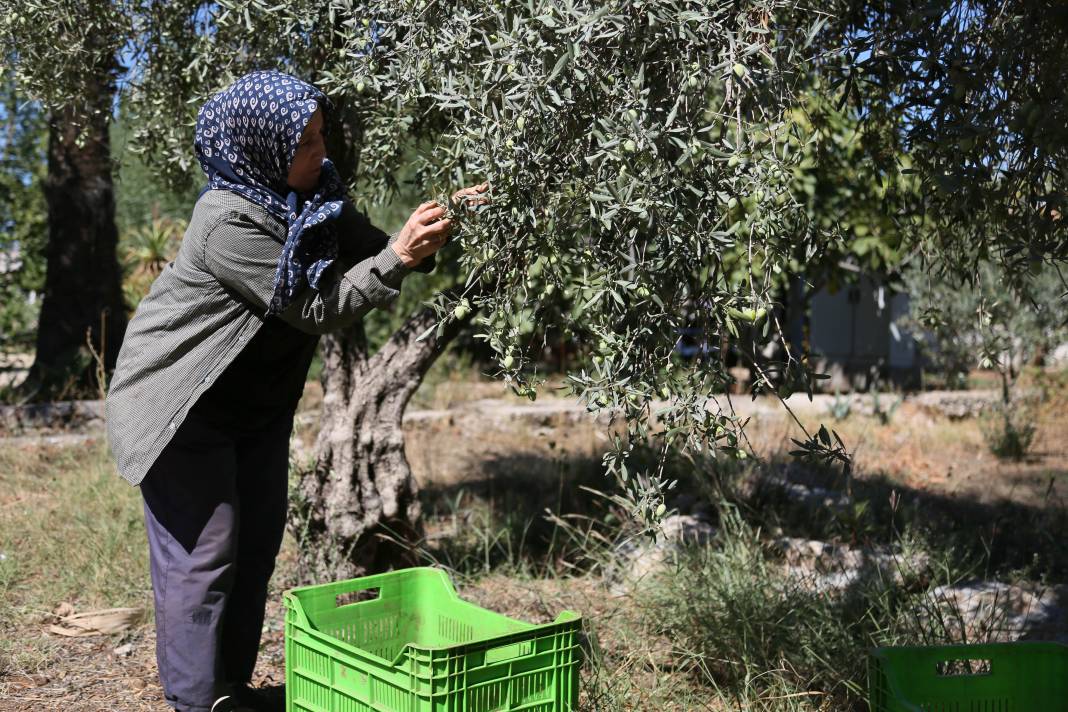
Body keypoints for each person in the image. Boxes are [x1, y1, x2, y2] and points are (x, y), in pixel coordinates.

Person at [103, 69, 490, 712]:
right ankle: (196, 703)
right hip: (178, 408)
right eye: (305, 142)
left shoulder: (315, 199)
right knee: (204, 555)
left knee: (255, 546)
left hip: (253, 410)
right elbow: (316, 307)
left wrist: (443, 217)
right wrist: (398, 258)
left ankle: (229, 689)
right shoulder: (227, 221)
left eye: (320, 136)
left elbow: (376, 249)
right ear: (261, 148)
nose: (321, 152)